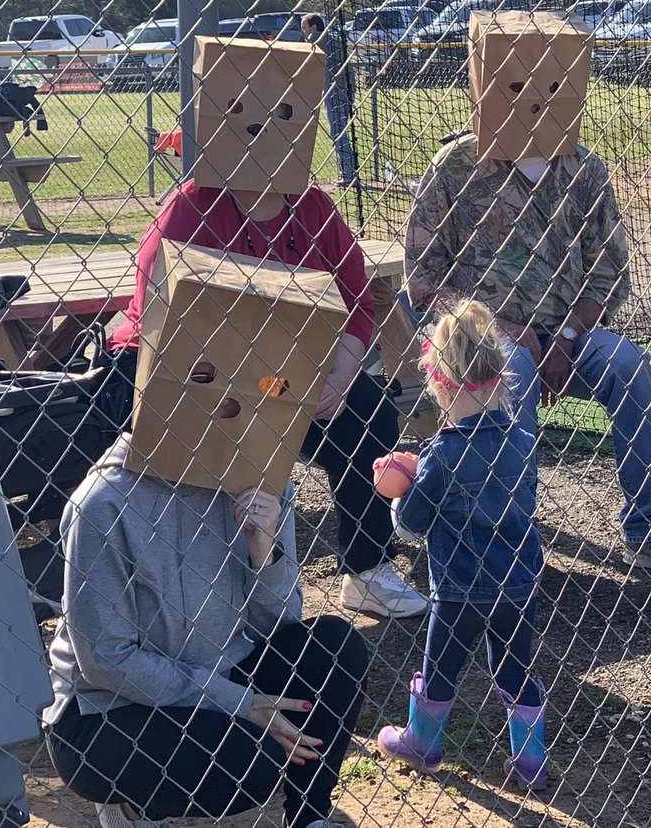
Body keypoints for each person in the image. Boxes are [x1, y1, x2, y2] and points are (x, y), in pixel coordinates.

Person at [406, 11, 651, 580]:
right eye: (516, 85)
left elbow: (610, 267)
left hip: (571, 330)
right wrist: (494, 330)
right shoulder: (457, 165)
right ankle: (511, 540)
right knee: (509, 373)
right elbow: (421, 276)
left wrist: (567, 334)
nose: (534, 99)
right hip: (482, 338)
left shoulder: (583, 168)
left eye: (550, 85)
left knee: (630, 368)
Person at [106, 179, 428, 619]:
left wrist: (340, 377)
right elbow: (155, 316)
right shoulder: (190, 206)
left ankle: (367, 570)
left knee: (369, 410)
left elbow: (357, 301)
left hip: (280, 376)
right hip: (190, 369)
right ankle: (176, 589)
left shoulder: (312, 205)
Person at [43, 435, 369, 828]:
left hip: (216, 670)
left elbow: (279, 625)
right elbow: (106, 663)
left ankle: (308, 817)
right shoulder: (103, 501)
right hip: (107, 709)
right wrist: (240, 702)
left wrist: (263, 551)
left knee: (335, 646)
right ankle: (131, 807)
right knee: (249, 764)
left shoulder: (260, 474)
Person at [374, 301, 548, 789]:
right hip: (518, 582)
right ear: (500, 378)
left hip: (458, 589)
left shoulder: (442, 454)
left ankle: (423, 741)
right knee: (514, 668)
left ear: (439, 384)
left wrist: (400, 489)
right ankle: (530, 760)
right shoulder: (521, 441)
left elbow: (411, 526)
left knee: (441, 668)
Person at [302, 13, 357, 188]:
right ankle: (348, 172)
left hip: (336, 92)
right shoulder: (332, 37)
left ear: (314, 27)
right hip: (344, 89)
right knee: (340, 132)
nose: (303, 31)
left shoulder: (317, 37)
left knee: (338, 132)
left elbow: (308, 50)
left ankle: (348, 174)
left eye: (305, 27)